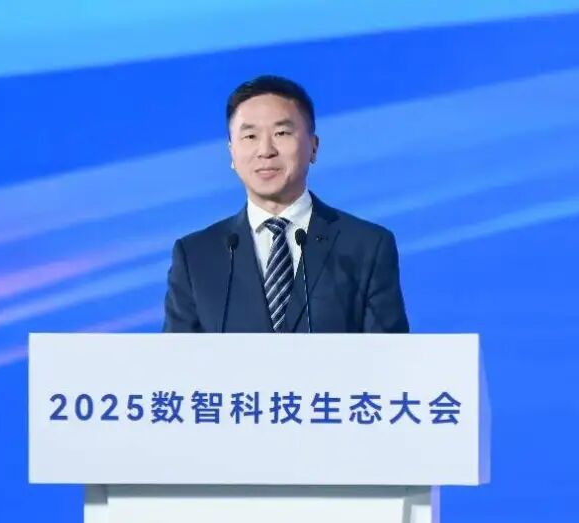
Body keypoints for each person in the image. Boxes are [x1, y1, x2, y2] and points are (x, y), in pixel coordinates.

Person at [163, 75, 409, 333]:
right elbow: (175, 357)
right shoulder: (195, 256)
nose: (265, 150)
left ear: (313, 147)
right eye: (250, 136)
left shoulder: (366, 246)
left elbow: (388, 353)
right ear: (232, 153)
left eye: (281, 133)